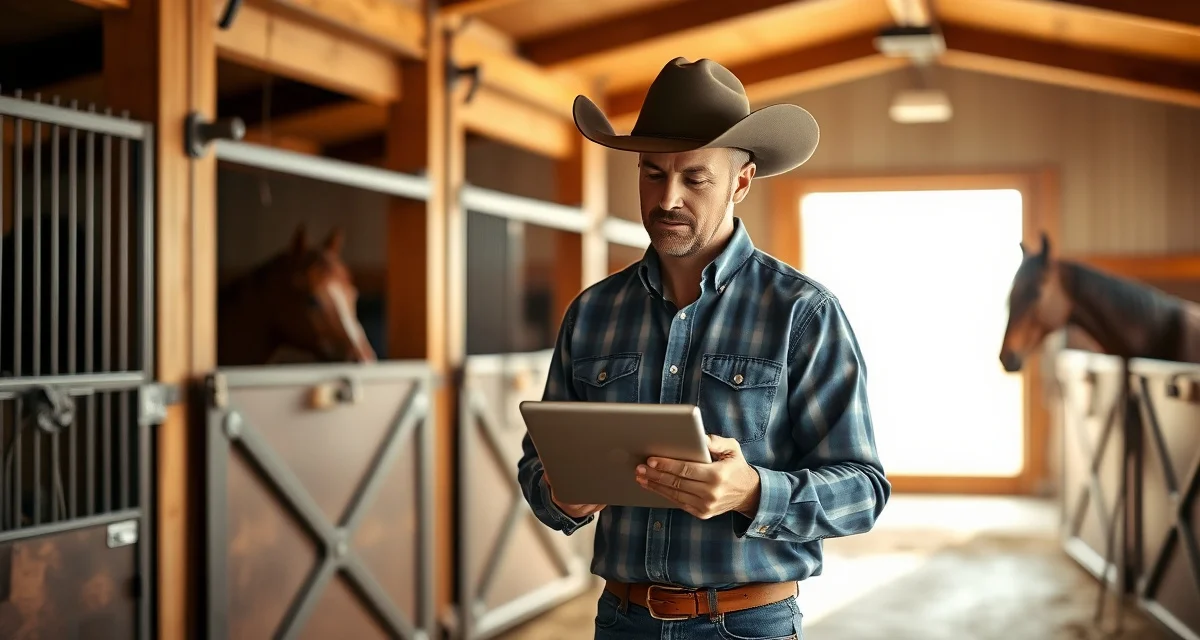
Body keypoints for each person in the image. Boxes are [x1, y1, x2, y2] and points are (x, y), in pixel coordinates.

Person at [516, 56, 890, 640]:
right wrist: (563, 495)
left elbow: (864, 492)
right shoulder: (591, 313)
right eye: (652, 173)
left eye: (695, 178)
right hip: (620, 622)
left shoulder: (803, 313)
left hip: (747, 625)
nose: (667, 199)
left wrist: (754, 492)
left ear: (740, 181)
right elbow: (536, 468)